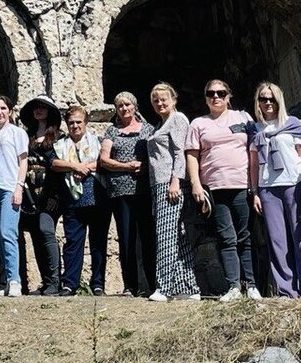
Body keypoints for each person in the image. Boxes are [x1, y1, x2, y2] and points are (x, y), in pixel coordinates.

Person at [185, 79, 260, 302]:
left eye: (220, 93)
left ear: (229, 96)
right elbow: (192, 155)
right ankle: (234, 286)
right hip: (215, 187)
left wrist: (255, 186)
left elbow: (255, 149)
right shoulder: (198, 123)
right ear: (206, 98)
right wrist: (196, 184)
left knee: (245, 236)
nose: (216, 97)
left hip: (242, 184)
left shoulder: (243, 118)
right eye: (211, 93)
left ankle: (252, 285)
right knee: (226, 237)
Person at [248, 82, 301, 298]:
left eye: (272, 99)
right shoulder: (255, 129)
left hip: (294, 184)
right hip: (268, 188)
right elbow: (253, 163)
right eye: (263, 99)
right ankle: (286, 291)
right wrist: (255, 192)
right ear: (258, 102)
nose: (268, 103)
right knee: (277, 241)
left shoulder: (292, 124)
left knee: (300, 237)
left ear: (279, 100)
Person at [145, 83, 200, 302]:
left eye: (163, 99)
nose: (160, 103)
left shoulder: (178, 119)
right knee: (178, 236)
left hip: (170, 184)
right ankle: (189, 287)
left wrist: (176, 181)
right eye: (155, 100)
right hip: (159, 184)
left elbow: (180, 152)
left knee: (165, 236)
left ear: (174, 99)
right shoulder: (160, 124)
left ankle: (164, 287)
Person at [99, 91, 156, 297]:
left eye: (127, 104)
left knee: (148, 237)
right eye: (120, 106)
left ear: (135, 106)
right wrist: (127, 166)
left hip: (143, 190)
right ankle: (130, 285)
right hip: (120, 192)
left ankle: (153, 284)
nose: (124, 109)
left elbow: (157, 156)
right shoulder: (112, 131)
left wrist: (145, 166)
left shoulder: (148, 129)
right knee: (126, 238)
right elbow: (104, 160)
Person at [51, 104, 108, 297]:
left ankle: (98, 284)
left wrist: (86, 168)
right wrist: (75, 166)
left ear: (86, 122)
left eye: (78, 122)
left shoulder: (98, 142)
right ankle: (70, 283)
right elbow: (54, 163)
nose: (75, 126)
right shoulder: (60, 145)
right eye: (71, 123)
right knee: (73, 243)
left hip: (97, 198)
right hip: (72, 200)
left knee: (98, 243)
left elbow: (104, 162)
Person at [0, 95, 28, 298]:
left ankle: (15, 280)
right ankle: (6, 280)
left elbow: (23, 161)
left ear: (9, 110)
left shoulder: (17, 132)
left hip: (9, 187)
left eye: (3, 108)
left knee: (7, 233)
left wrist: (19, 187)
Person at [20, 94, 62, 296]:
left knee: (46, 231)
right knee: (36, 236)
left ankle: (55, 281)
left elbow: (61, 169)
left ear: (50, 112)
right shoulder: (26, 137)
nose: (38, 110)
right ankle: (46, 282)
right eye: (35, 107)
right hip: (30, 196)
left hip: (50, 195)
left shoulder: (59, 137)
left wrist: (56, 196)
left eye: (43, 107)